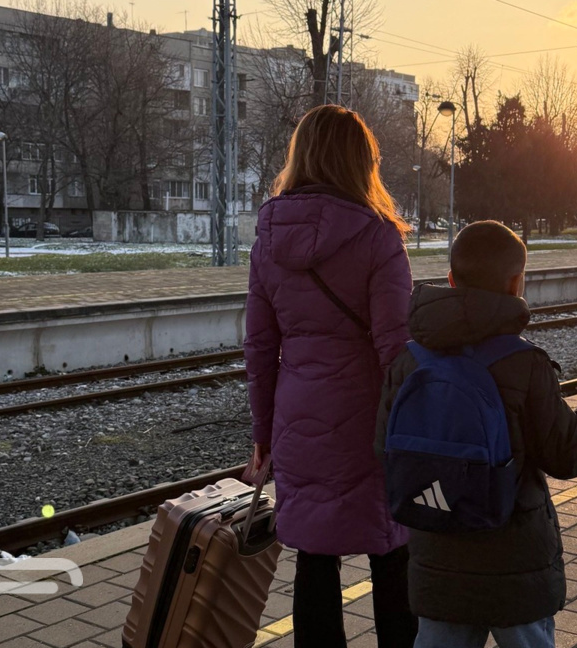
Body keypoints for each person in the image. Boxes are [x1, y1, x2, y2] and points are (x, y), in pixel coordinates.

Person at [374, 220, 577, 648]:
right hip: (517, 565)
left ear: (451, 280)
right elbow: (569, 455)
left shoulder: (409, 362)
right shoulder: (524, 362)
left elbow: (384, 453)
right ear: (518, 283)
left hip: (438, 565)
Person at [244, 105, 417, 648]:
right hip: (371, 422)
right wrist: (417, 425)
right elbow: (395, 348)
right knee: (392, 551)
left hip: (300, 419)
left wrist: (264, 436)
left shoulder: (268, 239)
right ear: (362, 162)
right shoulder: (379, 237)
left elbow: (259, 348)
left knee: (315, 560)